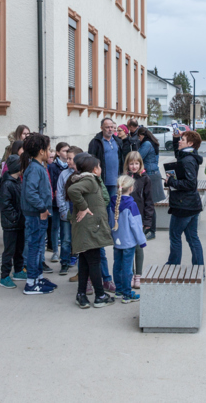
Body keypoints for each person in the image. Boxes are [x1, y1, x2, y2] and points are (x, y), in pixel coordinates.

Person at [66, 154, 116, 309]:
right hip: (89, 228)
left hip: (87, 227)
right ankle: (100, 296)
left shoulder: (86, 179)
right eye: (99, 166)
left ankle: (81, 294)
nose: (100, 169)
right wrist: (83, 207)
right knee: (94, 261)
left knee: (85, 262)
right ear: (94, 169)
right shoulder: (90, 180)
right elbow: (73, 191)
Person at [87, 118, 125, 294]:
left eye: (113, 127)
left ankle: (112, 225)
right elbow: (91, 162)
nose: (111, 129)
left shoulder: (118, 141)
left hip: (115, 180)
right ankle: (105, 226)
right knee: (104, 205)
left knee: (114, 205)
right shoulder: (96, 142)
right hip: (102, 180)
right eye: (108, 127)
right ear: (101, 128)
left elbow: (122, 158)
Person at [20, 133, 56, 295]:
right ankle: (31, 283)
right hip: (36, 214)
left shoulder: (38, 167)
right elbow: (31, 193)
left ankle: (38, 278)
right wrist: (42, 208)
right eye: (49, 150)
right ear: (41, 151)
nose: (50, 152)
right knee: (35, 247)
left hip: (39, 213)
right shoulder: (35, 168)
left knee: (39, 246)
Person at [165, 130, 204, 267]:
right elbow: (178, 153)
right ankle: (199, 269)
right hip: (191, 204)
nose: (180, 141)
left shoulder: (187, 160)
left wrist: (171, 182)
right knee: (192, 238)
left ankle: (173, 265)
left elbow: (190, 184)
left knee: (175, 236)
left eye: (182, 139)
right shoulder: (189, 156)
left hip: (184, 205)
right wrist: (176, 138)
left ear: (190, 143)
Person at [111, 174, 147, 303]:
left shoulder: (113, 202)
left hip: (117, 240)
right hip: (129, 241)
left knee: (117, 265)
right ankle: (127, 294)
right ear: (131, 188)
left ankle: (119, 291)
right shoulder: (131, 205)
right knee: (127, 268)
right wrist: (142, 241)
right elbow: (136, 226)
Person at [125, 151, 153, 289]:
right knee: (128, 247)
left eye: (136, 163)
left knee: (138, 247)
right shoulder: (124, 178)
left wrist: (147, 221)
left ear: (140, 164)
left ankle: (138, 275)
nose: (134, 166)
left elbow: (149, 202)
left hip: (139, 219)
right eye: (131, 163)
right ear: (127, 165)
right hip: (126, 219)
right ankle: (130, 274)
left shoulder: (145, 179)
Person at [0, 154, 26, 288]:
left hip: (19, 222)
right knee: (9, 250)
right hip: (11, 224)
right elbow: (6, 205)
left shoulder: (18, 182)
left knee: (19, 249)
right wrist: (15, 218)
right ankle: (4, 276)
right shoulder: (7, 184)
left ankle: (18, 270)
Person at [55, 146, 83, 275]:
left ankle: (76, 257)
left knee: (78, 238)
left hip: (80, 212)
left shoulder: (84, 175)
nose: (68, 161)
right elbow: (60, 193)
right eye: (67, 159)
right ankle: (64, 262)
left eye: (71, 159)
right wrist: (63, 210)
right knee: (66, 239)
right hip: (67, 211)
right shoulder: (64, 174)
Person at [136, 126, 164, 240]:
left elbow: (137, 157)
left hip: (151, 175)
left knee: (149, 204)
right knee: (150, 203)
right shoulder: (154, 142)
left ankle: (151, 231)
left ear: (141, 136)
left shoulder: (146, 144)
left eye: (139, 137)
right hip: (154, 174)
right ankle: (150, 230)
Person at [47, 142, 71, 263]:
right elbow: (49, 182)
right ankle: (55, 250)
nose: (66, 153)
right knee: (55, 227)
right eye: (64, 151)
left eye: (68, 151)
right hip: (54, 202)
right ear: (58, 153)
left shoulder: (69, 167)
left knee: (65, 228)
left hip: (66, 202)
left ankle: (65, 254)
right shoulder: (52, 166)